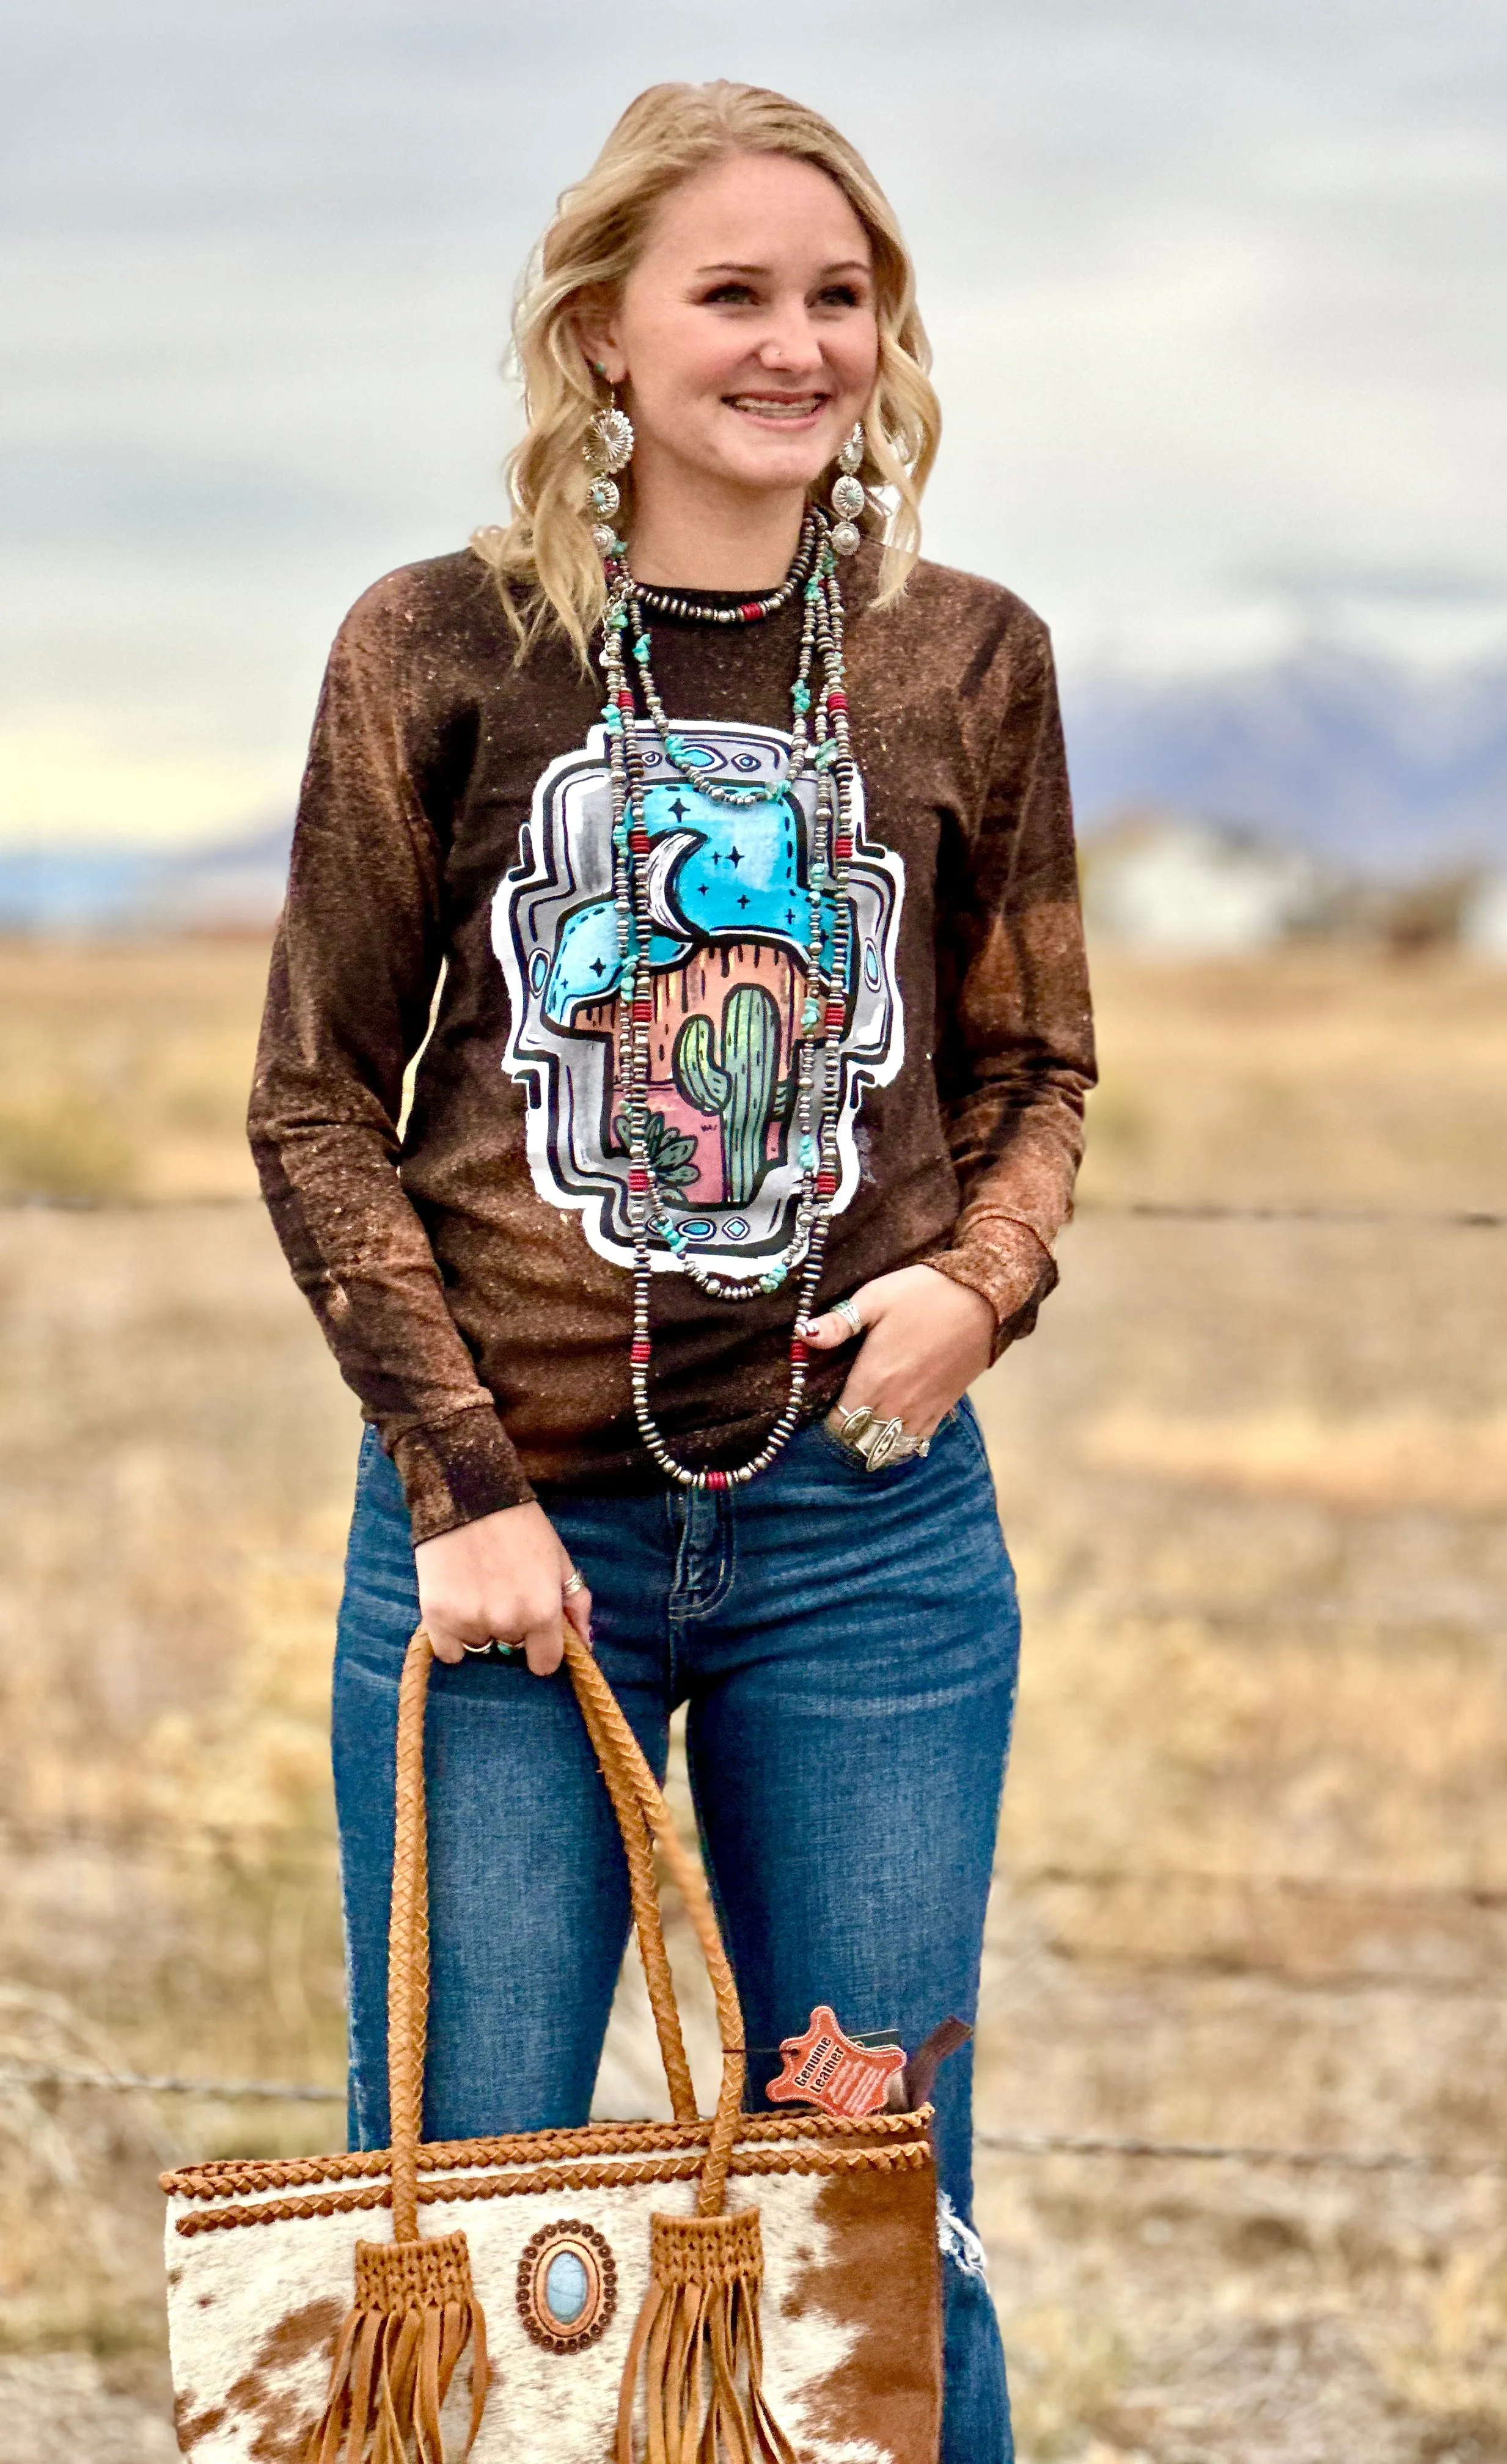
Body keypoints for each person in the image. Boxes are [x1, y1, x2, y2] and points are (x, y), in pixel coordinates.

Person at [248, 77, 1093, 2464]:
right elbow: (315, 1100)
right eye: (734, 293)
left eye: (842, 298)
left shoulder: (967, 661)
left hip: (867, 1542)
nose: (796, 346)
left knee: (871, 2211)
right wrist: (460, 1491)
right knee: (463, 2220)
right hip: (508, 1545)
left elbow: (1042, 1069)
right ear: (605, 332)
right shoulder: (439, 650)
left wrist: (982, 1287)